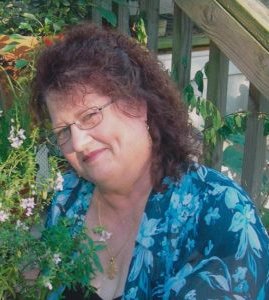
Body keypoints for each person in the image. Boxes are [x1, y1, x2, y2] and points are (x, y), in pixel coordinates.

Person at [32, 23, 269, 300]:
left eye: (90, 116)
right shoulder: (67, 201)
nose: (79, 143)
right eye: (63, 131)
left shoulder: (218, 211)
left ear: (137, 104)